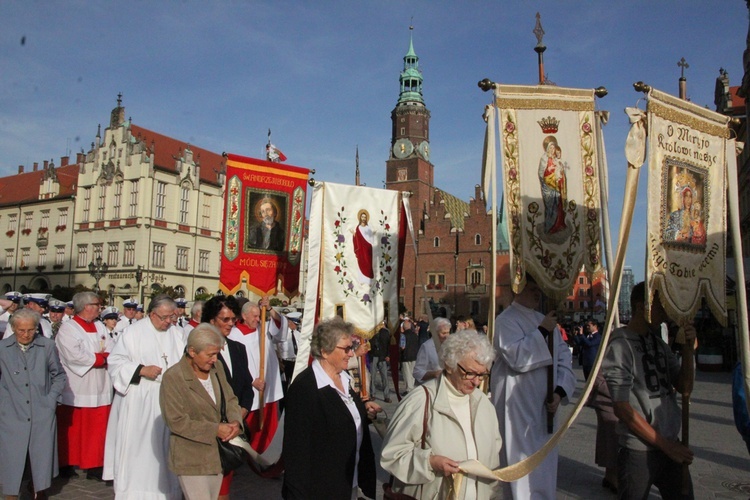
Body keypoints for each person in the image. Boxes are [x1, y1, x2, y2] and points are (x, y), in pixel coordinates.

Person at [381, 330, 502, 498]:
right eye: (470, 373)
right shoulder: (420, 400)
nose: (476, 381)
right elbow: (391, 456)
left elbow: (493, 458)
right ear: (449, 365)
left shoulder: (483, 404)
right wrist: (429, 462)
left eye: (482, 375)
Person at [602, 282, 695, 499]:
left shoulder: (658, 343)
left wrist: (688, 350)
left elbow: (685, 387)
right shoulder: (620, 344)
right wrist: (666, 446)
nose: (664, 313)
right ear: (640, 307)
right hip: (640, 449)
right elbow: (621, 408)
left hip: (670, 443)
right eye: (659, 307)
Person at [491, 276, 576, 499]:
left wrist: (558, 393)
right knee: (520, 465)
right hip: (517, 406)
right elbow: (516, 357)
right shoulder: (505, 320)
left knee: (544, 465)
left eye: (540, 289)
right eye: (532, 289)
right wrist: (541, 332)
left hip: (545, 407)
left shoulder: (545, 320)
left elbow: (563, 359)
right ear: (518, 288)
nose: (538, 293)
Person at [282, 316, 380, 499]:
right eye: (347, 348)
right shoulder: (305, 388)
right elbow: (296, 452)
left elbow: (340, 416)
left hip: (350, 481)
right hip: (321, 489)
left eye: (351, 347)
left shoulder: (344, 378)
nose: (351, 354)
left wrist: (364, 411)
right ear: (324, 351)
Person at [103, 295, 185, 499]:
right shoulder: (132, 333)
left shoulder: (177, 333)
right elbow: (115, 362)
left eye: (171, 317)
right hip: (140, 399)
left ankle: (167, 492)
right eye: (164, 317)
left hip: (169, 397)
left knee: (165, 449)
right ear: (152, 314)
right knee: (139, 449)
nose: (168, 322)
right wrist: (140, 369)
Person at [160, 324, 244, 500]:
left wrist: (236, 422)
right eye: (210, 355)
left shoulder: (217, 368)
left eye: (216, 354)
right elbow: (176, 421)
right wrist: (215, 429)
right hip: (191, 458)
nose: (214, 359)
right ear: (192, 351)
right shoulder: (173, 377)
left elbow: (230, 399)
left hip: (216, 457)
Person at [0, 309, 67, 500]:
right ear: (13, 328)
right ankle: (11, 494)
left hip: (41, 410)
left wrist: (51, 398)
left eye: (30, 330)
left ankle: (39, 489)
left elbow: (59, 375)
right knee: (12, 456)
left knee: (40, 456)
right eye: (21, 330)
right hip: (11, 412)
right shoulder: (2, 348)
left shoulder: (46, 346)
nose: (26, 335)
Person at [55, 291, 114, 480]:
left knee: (97, 428)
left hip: (100, 384)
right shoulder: (69, 328)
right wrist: (100, 358)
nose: (99, 308)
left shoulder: (100, 326)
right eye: (97, 304)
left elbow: (113, 347)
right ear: (86, 306)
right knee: (72, 428)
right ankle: (67, 462)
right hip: (77, 385)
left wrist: (105, 358)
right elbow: (73, 355)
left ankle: (95, 464)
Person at [203, 296, 255, 500]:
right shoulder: (200, 350)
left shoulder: (237, 348)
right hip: (210, 426)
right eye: (225, 319)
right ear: (212, 320)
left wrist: (241, 413)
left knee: (225, 485)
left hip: (233, 426)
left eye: (233, 319)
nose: (231, 324)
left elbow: (246, 387)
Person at [229, 298, 288, 453]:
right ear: (244, 316)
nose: (257, 319)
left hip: (267, 388)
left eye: (258, 315)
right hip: (250, 389)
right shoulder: (234, 335)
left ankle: (268, 455)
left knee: (269, 425)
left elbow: (282, 330)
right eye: (254, 316)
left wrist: (269, 309)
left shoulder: (263, 328)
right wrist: (251, 381)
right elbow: (236, 364)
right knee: (249, 426)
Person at [586, 371, 619, 493]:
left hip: (618, 399)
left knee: (609, 438)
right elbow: (596, 373)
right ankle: (612, 476)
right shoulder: (605, 353)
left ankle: (610, 475)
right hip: (606, 398)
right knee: (611, 436)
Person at [538, 136, 568, 235]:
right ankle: (550, 226)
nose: (552, 150)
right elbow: (541, 173)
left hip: (556, 186)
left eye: (553, 148)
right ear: (547, 148)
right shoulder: (544, 158)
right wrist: (549, 172)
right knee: (550, 207)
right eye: (550, 148)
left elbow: (561, 170)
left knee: (558, 205)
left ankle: (558, 224)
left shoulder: (556, 159)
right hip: (548, 186)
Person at [413, 317, 451, 383]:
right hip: (434, 386)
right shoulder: (427, 347)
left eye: (448, 332)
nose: (446, 336)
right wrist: (433, 374)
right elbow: (417, 372)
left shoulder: (451, 345)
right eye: (443, 333)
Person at [369, 319, 392, 402]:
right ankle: (372, 394)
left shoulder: (386, 332)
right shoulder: (371, 332)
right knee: (372, 376)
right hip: (374, 355)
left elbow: (389, 344)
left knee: (385, 377)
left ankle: (387, 396)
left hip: (382, 356)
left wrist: (388, 355)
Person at [352, 208, 375, 283]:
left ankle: (369, 281)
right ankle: (361, 281)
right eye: (362, 217)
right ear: (360, 218)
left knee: (368, 265)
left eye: (365, 217)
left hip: (368, 250)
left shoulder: (368, 228)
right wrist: (354, 235)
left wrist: (373, 234)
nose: (363, 219)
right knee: (361, 264)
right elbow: (357, 238)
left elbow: (371, 240)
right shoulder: (358, 228)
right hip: (361, 250)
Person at [400, 317, 419, 395]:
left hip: (406, 356)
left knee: (407, 373)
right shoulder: (415, 335)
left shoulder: (403, 335)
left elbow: (402, 346)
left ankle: (409, 389)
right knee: (412, 373)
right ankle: (412, 387)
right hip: (414, 355)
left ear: (403, 328)